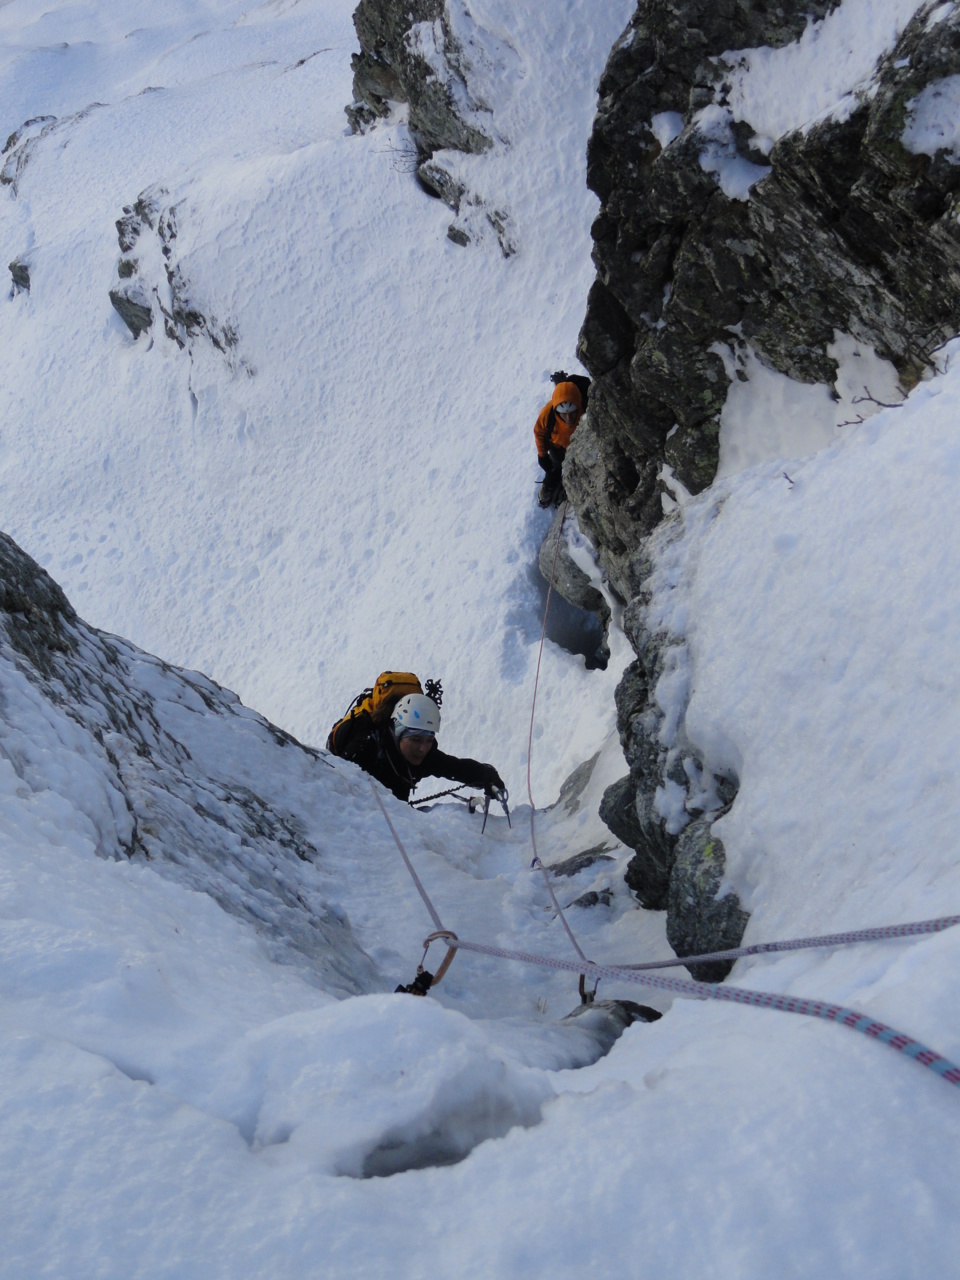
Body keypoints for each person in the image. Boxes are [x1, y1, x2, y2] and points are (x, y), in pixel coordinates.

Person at [338, 691, 505, 804]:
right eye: (416, 739)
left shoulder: (424, 756)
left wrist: (486, 775)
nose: (422, 748)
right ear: (398, 733)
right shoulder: (365, 750)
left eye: (429, 740)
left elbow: (455, 767)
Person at [534, 375, 588, 508]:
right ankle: (551, 483)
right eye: (563, 413)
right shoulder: (548, 413)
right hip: (558, 449)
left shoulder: (587, 410)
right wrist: (542, 455)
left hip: (582, 449)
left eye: (572, 413)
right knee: (555, 469)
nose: (568, 418)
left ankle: (565, 486)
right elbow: (539, 432)